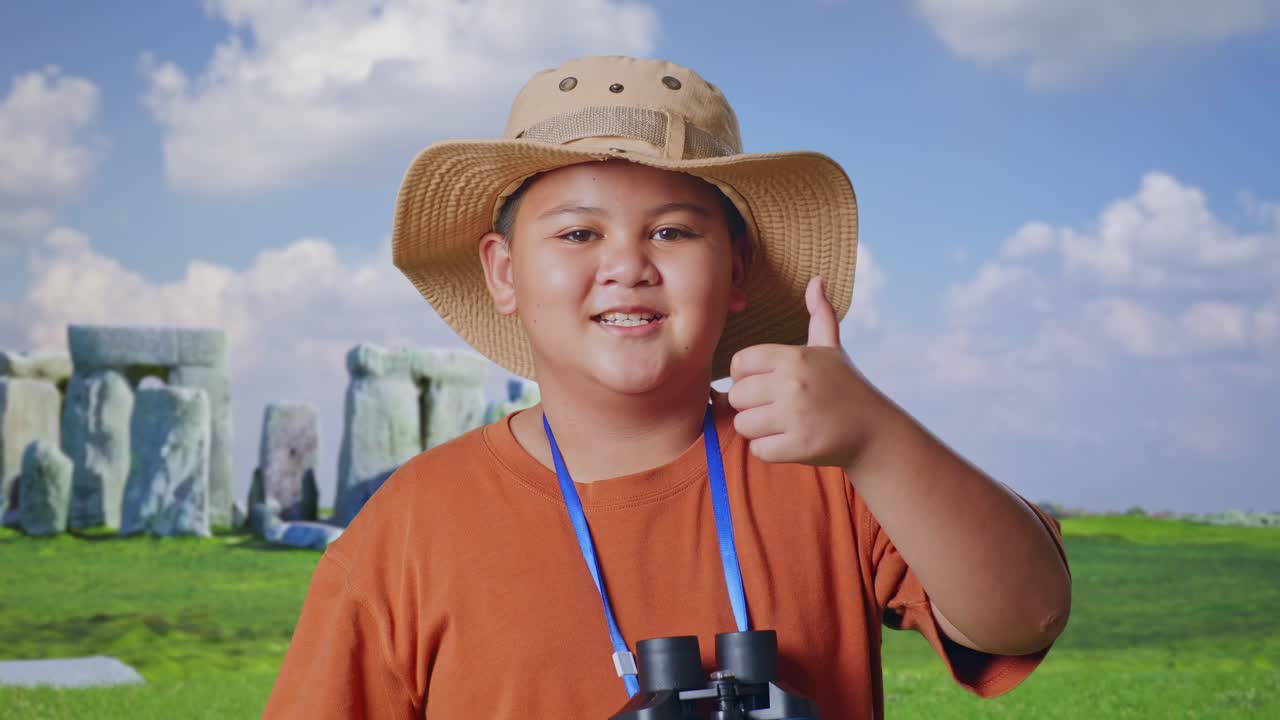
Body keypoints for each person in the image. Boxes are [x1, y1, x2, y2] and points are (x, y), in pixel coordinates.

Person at [263, 55, 1071, 719]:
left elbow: (1025, 614)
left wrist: (876, 437)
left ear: (739, 269)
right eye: (579, 232)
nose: (627, 265)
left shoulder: (836, 475)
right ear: (504, 272)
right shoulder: (409, 530)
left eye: (673, 231)